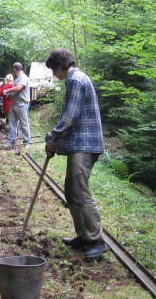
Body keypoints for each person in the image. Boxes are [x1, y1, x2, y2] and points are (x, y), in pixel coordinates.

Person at [44, 48, 108, 260]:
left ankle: (96, 240)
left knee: (79, 191)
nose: (54, 74)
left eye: (54, 70)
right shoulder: (76, 79)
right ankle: (83, 236)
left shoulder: (76, 80)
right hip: (81, 144)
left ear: (62, 65)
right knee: (71, 192)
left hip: (85, 145)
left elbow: (70, 117)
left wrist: (52, 136)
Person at [5, 62, 31, 148]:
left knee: (24, 123)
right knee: (12, 124)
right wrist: (8, 94)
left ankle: (27, 141)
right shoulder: (16, 79)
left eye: (13, 69)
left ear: (15, 69)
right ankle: (11, 141)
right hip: (14, 104)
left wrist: (7, 91)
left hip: (22, 104)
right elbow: (15, 91)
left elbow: (18, 88)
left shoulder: (23, 78)